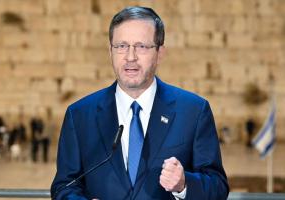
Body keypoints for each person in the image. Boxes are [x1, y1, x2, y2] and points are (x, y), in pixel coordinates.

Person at [51, 6, 228, 200]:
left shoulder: (193, 111)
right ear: (110, 51)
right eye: (121, 46)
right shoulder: (79, 115)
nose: (130, 57)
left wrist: (184, 184)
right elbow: (63, 187)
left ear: (160, 53)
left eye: (142, 46)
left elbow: (218, 188)